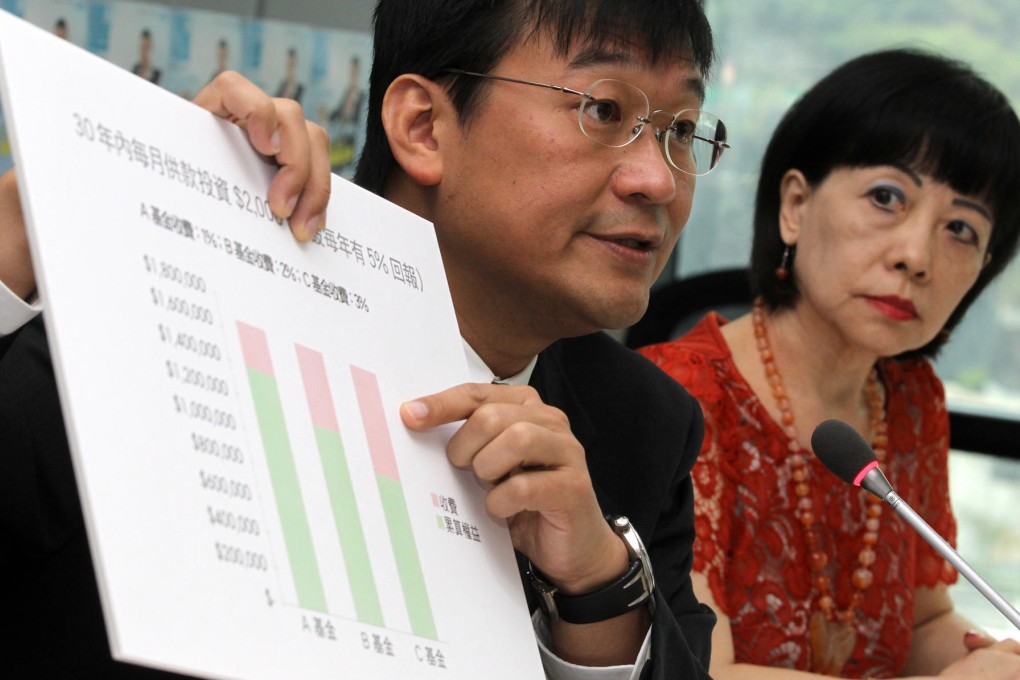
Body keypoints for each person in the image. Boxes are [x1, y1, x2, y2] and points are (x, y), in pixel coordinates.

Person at [1, 0, 727, 677]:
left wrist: (597, 589)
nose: (657, 181)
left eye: (680, 131)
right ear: (423, 127)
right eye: (604, 109)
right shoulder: (168, 304)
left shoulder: (646, 424)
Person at [638, 48, 1020, 679]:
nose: (916, 256)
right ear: (795, 205)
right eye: (887, 197)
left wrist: (998, 660)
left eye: (961, 230)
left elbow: (924, 624)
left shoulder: (911, 398)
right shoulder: (676, 395)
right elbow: (701, 669)